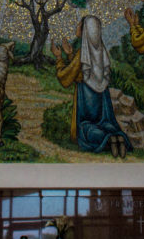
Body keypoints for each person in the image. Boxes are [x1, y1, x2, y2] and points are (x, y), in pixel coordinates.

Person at [52, 15, 132, 158]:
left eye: (79, 25)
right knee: (105, 124)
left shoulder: (82, 53)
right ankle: (116, 136)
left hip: (87, 101)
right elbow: (83, 71)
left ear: (85, 31)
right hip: (102, 101)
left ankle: (106, 139)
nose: (76, 27)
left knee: (86, 127)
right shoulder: (101, 52)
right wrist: (70, 54)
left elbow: (65, 78)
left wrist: (59, 58)